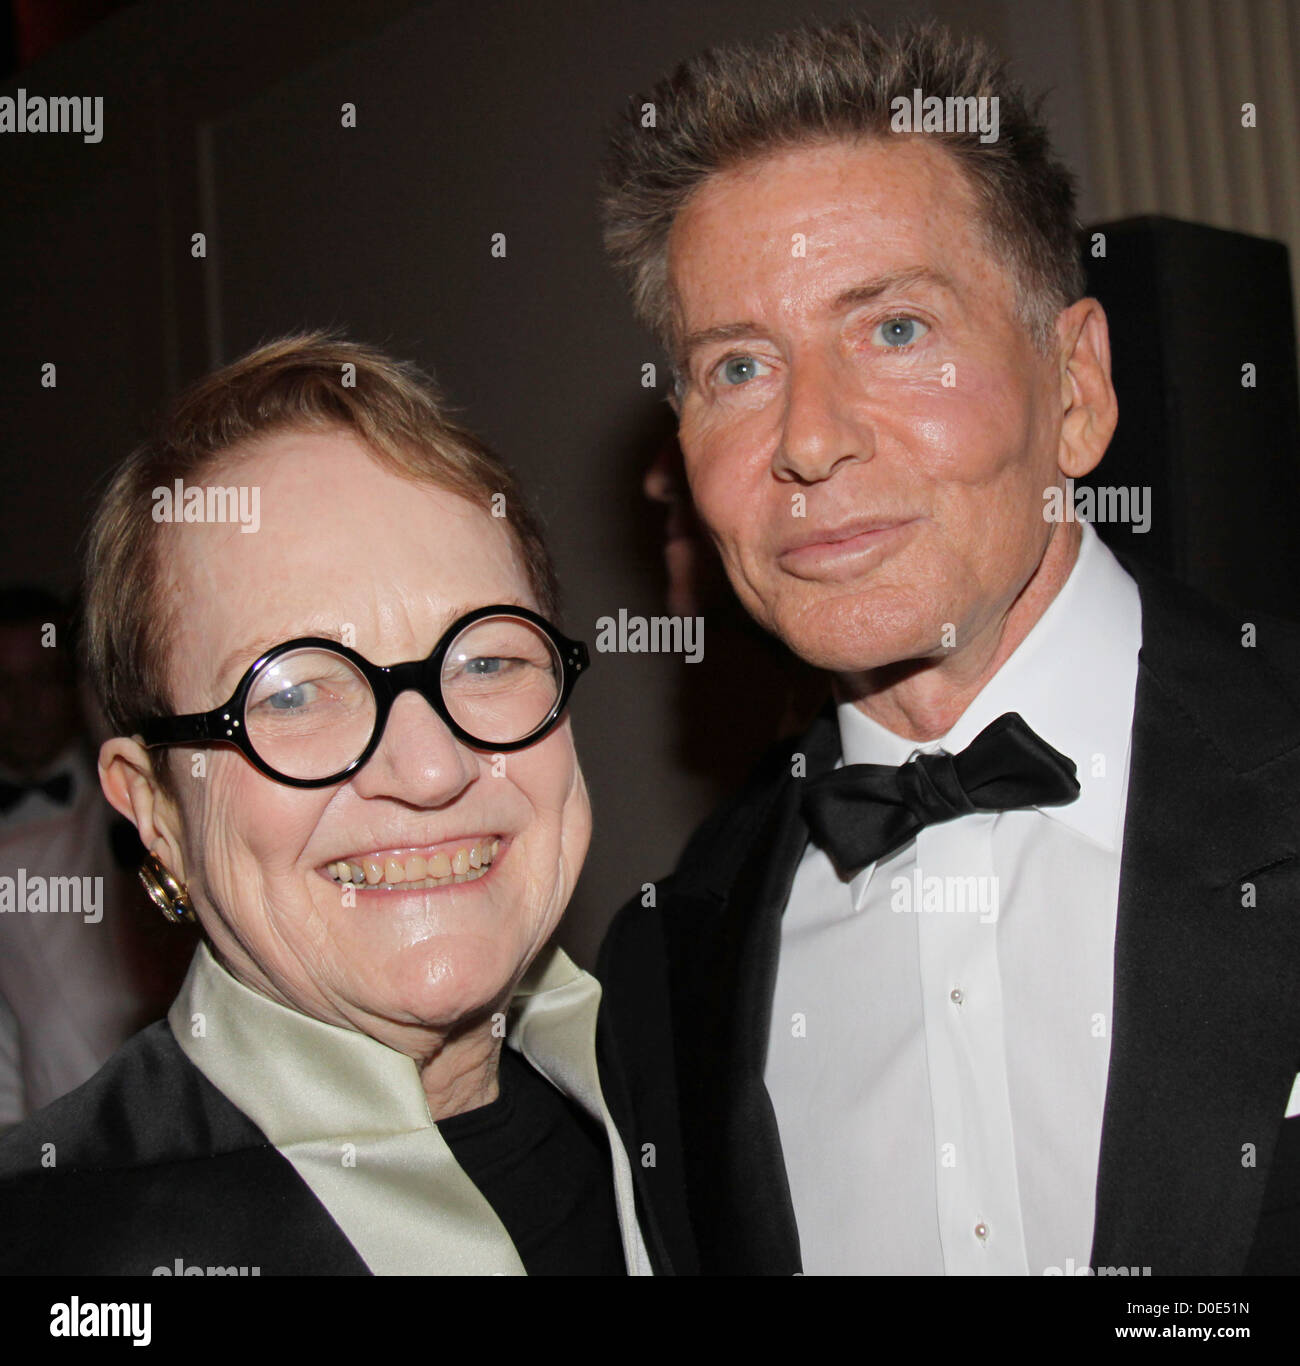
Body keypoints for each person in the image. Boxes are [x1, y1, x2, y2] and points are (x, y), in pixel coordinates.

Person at [595, 18, 1300, 1275]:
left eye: (896, 330)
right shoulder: (663, 968)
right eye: (740, 366)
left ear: (1073, 386)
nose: (808, 438)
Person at [0, 334, 695, 1275]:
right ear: (155, 809)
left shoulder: (700, 1119)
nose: (429, 766)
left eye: (486, 660)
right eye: (290, 692)